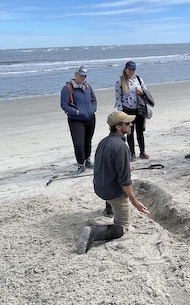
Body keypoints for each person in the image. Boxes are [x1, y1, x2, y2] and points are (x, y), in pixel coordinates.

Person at [77, 111, 150, 254]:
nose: (131, 125)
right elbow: (125, 182)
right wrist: (135, 202)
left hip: (99, 187)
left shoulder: (104, 141)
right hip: (113, 192)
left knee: (115, 191)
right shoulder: (121, 147)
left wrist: (125, 168)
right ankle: (94, 232)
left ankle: (109, 207)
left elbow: (104, 165)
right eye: (127, 123)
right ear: (118, 127)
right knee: (123, 228)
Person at [60, 65, 97, 174]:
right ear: (75, 75)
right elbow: (64, 105)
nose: (83, 78)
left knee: (88, 140)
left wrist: (92, 109)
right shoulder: (67, 88)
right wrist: (76, 112)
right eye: (81, 75)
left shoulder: (88, 87)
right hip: (76, 120)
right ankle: (81, 164)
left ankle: (87, 160)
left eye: (85, 75)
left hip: (90, 118)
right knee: (78, 143)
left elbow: (94, 100)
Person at [114, 61, 150, 161]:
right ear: (126, 69)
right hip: (127, 110)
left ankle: (142, 152)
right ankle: (132, 153)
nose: (131, 71)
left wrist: (141, 92)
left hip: (139, 109)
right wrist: (121, 112)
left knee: (140, 132)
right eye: (130, 69)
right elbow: (118, 97)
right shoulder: (120, 81)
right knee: (129, 132)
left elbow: (145, 92)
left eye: (133, 69)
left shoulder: (138, 79)